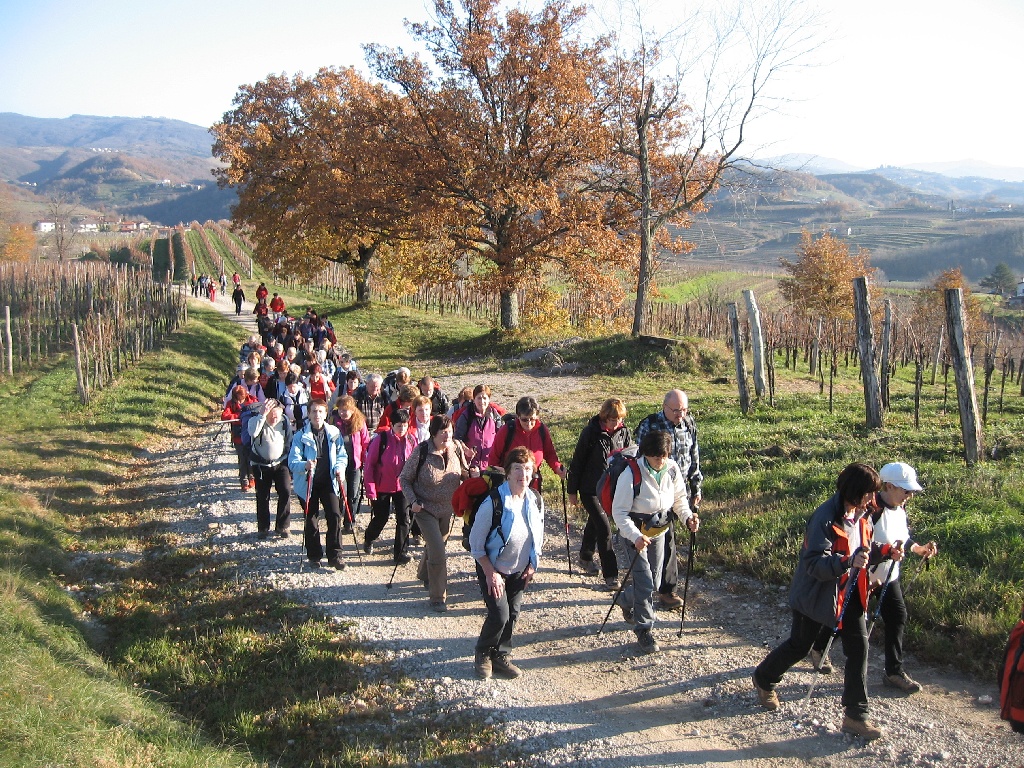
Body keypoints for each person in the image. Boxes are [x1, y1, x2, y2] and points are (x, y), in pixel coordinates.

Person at [753, 463, 901, 741]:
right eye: (868, 493)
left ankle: (856, 716)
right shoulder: (824, 517)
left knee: (859, 649)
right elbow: (813, 563)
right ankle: (764, 678)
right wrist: (846, 562)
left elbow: (863, 549)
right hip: (817, 594)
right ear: (854, 492)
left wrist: (885, 551)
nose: (873, 499)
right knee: (800, 645)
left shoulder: (863, 515)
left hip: (850, 593)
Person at [810, 462, 936, 693]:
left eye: (911, 491)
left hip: (888, 575)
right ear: (889, 486)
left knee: (897, 616)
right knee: (846, 620)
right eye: (906, 490)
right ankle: (819, 647)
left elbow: (902, 536)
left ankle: (893, 672)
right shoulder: (870, 509)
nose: (909, 495)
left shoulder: (899, 509)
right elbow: (858, 540)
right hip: (862, 577)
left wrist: (918, 549)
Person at [612, 430, 698, 654]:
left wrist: (688, 518)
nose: (661, 461)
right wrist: (636, 537)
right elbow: (619, 513)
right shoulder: (630, 474)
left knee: (655, 582)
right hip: (633, 535)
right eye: (656, 456)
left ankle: (625, 599)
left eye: (664, 456)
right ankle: (644, 630)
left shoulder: (671, 468)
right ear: (646, 454)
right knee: (645, 582)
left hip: (659, 532)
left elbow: (679, 500)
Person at [470, 446, 545, 680]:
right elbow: (476, 544)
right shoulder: (493, 503)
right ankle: (483, 653)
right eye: (518, 469)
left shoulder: (535, 499)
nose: (524, 474)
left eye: (528, 469)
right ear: (508, 472)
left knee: (513, 614)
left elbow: (538, 534)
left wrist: (533, 564)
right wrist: (490, 573)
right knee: (499, 615)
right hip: (493, 568)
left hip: (520, 569)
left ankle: (501, 656)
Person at [635, 390, 702, 611]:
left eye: (684, 410)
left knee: (670, 540)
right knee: (665, 540)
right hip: (654, 495)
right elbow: (637, 461)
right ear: (664, 407)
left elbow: (694, 458)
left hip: (679, 492)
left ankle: (662, 589)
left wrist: (696, 487)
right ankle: (658, 590)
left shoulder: (689, 424)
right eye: (676, 410)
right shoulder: (649, 425)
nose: (680, 415)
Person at [400, 415, 472, 612]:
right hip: (425, 508)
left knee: (435, 545)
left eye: (450, 431)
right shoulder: (422, 451)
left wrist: (471, 474)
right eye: (443, 432)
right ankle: (438, 597)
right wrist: (413, 501)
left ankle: (424, 574)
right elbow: (404, 479)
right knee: (438, 550)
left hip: (447, 509)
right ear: (433, 433)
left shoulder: (456, 448)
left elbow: (463, 472)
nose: (447, 436)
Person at [567, 397, 633, 589]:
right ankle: (611, 575)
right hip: (589, 488)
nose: (616, 423)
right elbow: (577, 461)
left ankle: (585, 556)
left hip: (610, 488)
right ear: (604, 417)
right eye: (612, 419)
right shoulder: (591, 433)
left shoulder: (624, 432)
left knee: (595, 522)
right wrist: (572, 491)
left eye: (619, 419)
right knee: (604, 528)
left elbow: (630, 458)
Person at [288, 399, 348, 569]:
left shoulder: (334, 433)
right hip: (308, 482)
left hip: (329, 481)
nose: (317, 415)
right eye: (314, 411)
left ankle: (335, 555)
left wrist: (339, 468)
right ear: (308, 414)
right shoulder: (300, 436)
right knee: (311, 519)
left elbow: (342, 455)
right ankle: (314, 556)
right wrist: (305, 465)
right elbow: (292, 462)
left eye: (320, 411)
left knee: (335, 515)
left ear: (326, 413)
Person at [363, 408, 418, 563]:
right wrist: (371, 489)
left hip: (403, 487)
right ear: (392, 425)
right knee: (381, 517)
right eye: (399, 425)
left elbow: (416, 464)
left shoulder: (412, 440)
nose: (402, 429)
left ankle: (401, 553)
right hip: (382, 486)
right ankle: (369, 537)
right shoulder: (381, 440)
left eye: (405, 425)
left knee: (404, 518)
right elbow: (370, 465)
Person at [487, 396, 565, 493]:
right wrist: (498, 477)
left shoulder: (542, 430)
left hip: (533, 484)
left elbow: (550, 454)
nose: (529, 423)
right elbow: (493, 458)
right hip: (509, 485)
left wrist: (557, 467)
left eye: (532, 419)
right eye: (524, 419)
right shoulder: (507, 430)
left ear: (537, 416)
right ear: (518, 416)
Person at [247, 398, 294, 538]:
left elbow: (289, 440)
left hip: (281, 463)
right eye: (271, 415)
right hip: (260, 465)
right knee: (263, 496)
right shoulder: (255, 420)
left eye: (277, 416)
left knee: (285, 491)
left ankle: (283, 526)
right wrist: (262, 415)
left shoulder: (284, 421)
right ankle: (263, 528)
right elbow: (253, 433)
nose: (274, 419)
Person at [331, 395, 370, 528]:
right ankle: (337, 518)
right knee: (341, 492)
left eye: (346, 410)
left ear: (353, 410)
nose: (343, 413)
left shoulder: (360, 422)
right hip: (338, 463)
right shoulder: (333, 422)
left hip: (355, 463)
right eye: (340, 409)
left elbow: (365, 443)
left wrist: (365, 461)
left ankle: (349, 520)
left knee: (353, 493)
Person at [454, 384, 503, 472]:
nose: (482, 401)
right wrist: (466, 450)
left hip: (490, 465)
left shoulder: (494, 415)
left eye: (484, 398)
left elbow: (502, 436)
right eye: (479, 398)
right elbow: (457, 438)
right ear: (474, 399)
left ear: (489, 399)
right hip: (470, 466)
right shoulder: (466, 416)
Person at [221, 384, 258, 491]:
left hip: (251, 435)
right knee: (242, 459)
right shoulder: (231, 403)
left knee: (251, 458)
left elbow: (259, 411)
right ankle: (244, 481)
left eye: (241, 398)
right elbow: (224, 416)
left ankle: (252, 477)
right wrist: (240, 416)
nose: (240, 401)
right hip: (238, 436)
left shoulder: (252, 400)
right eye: (238, 398)